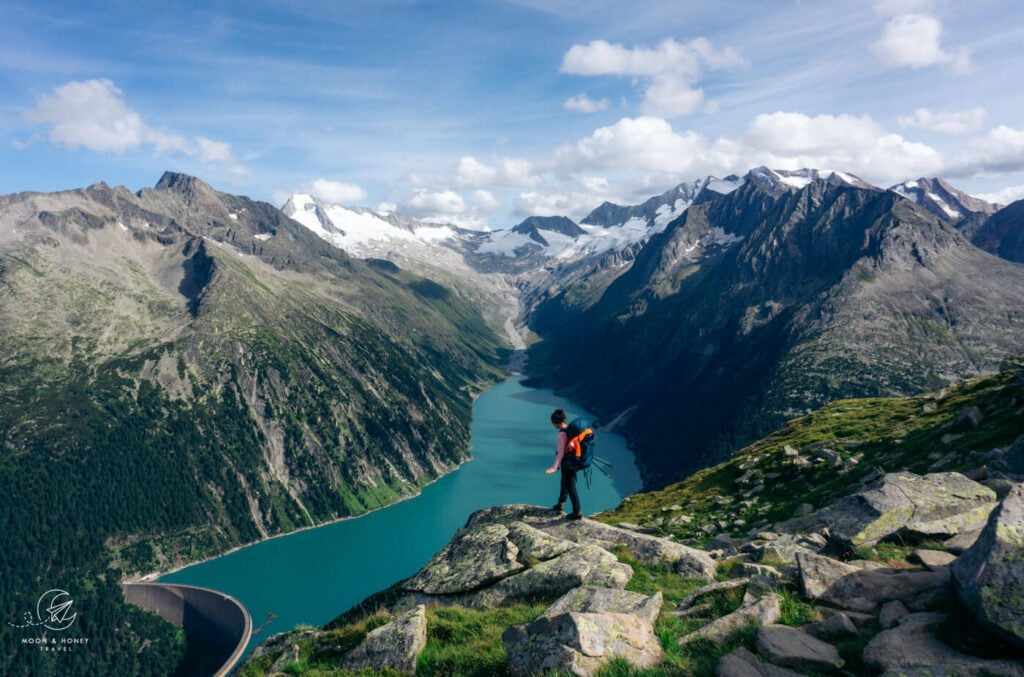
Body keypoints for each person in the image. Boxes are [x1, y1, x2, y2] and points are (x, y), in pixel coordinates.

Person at [545, 408, 582, 520]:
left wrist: (553, 468)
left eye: (553, 423)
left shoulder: (561, 435)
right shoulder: (570, 429)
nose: (553, 425)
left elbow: (560, 454)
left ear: (556, 422)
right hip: (575, 460)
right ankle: (560, 504)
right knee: (565, 482)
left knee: (571, 487)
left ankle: (577, 512)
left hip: (567, 463)